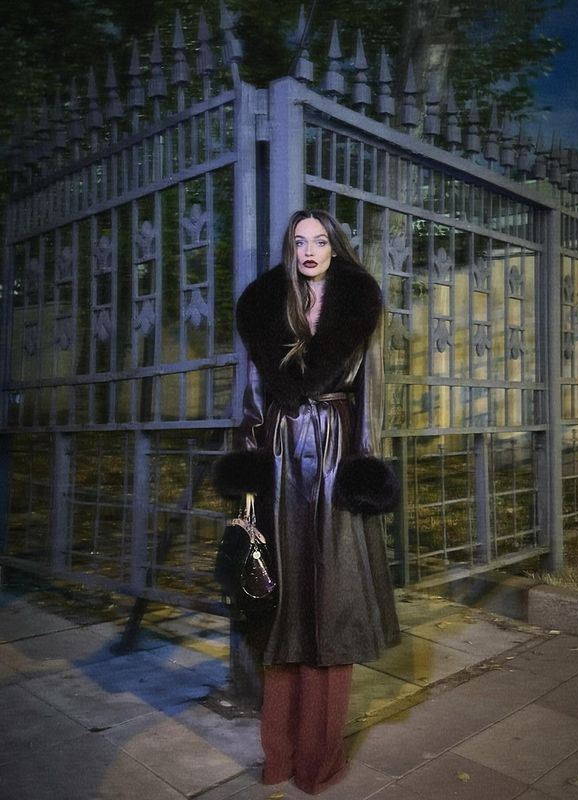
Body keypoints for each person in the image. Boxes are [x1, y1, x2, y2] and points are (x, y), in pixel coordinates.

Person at [213, 209, 400, 795]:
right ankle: (278, 756)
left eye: (320, 240)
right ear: (290, 249)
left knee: (331, 603)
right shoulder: (266, 307)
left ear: (335, 247)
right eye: (300, 241)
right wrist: (248, 473)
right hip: (277, 457)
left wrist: (364, 463)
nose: (310, 250)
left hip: (337, 456)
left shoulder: (359, 305)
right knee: (282, 603)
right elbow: (250, 398)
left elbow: (371, 394)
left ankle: (318, 761)